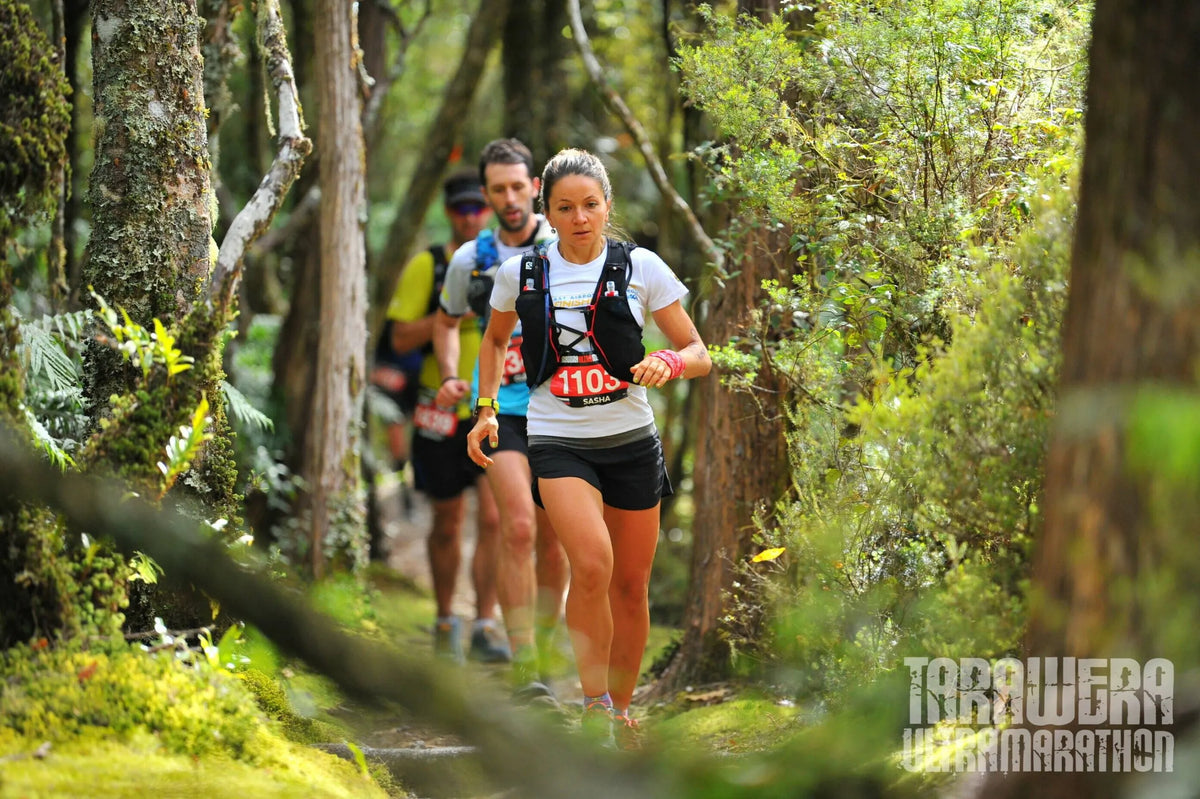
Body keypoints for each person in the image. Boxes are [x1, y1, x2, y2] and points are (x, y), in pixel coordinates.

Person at [466, 147, 711, 746]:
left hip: (631, 443)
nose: (580, 218)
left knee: (631, 583)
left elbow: (700, 353)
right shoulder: (521, 273)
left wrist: (667, 361)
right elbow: (494, 342)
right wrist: (486, 409)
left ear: (607, 208)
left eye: (591, 205)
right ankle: (594, 702)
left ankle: (619, 710)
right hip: (558, 443)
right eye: (566, 207)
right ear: (547, 212)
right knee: (593, 565)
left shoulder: (642, 268)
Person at [433, 139, 569, 695]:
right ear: (486, 195)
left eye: (519, 187)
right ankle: (526, 664)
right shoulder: (472, 258)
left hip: (564, 407)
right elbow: (446, 322)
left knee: (552, 538)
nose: (510, 198)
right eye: (498, 190)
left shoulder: (568, 245)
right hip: (500, 408)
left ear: (535, 187)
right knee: (515, 526)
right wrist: (448, 375)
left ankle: (545, 635)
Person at [384, 169, 510, 664]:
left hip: (497, 409)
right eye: (460, 209)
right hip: (440, 409)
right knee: (448, 519)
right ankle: (443, 621)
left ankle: (485, 623)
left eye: (476, 207)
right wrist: (446, 317)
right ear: (448, 213)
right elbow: (397, 339)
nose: (469, 216)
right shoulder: (430, 265)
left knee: (497, 519)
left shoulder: (512, 259)